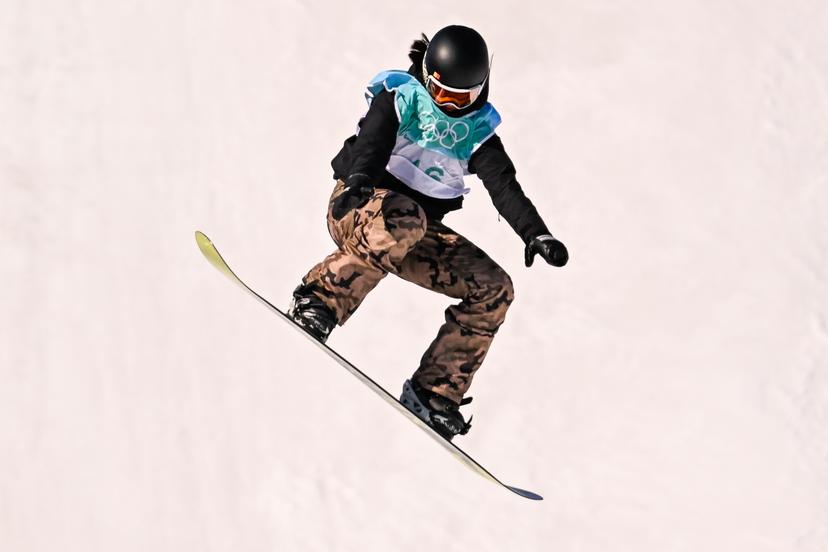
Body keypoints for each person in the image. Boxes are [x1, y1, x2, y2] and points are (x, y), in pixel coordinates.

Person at [288, 25, 568, 441]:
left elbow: (504, 186)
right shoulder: (402, 99)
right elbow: (373, 141)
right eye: (443, 95)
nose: (452, 107)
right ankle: (320, 300)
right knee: (408, 218)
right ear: (426, 77)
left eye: (464, 98)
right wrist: (361, 177)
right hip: (357, 205)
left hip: (409, 233)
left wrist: (535, 233)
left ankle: (434, 392)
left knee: (494, 287)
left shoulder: (478, 133)